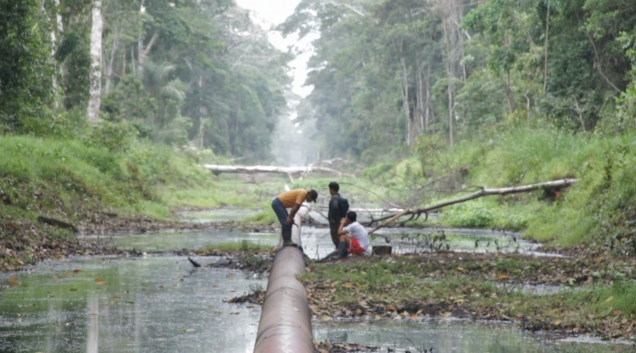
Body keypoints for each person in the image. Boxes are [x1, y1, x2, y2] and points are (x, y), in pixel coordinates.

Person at [327, 181, 346, 248]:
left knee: (335, 237)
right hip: (340, 220)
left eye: (329, 189)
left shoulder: (334, 198)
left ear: (332, 189)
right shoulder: (340, 197)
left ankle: (340, 251)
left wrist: (333, 218)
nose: (329, 191)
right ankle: (341, 251)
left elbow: (335, 206)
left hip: (335, 222)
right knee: (339, 236)